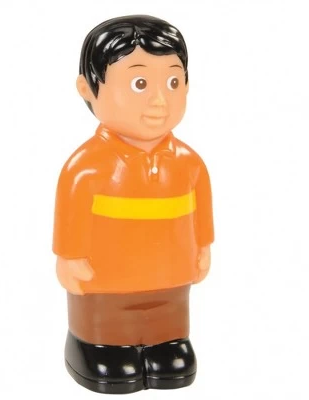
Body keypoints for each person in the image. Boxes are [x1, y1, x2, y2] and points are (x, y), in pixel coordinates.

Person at [53, 15, 214, 394]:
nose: (160, 100)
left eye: (173, 83)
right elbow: (71, 215)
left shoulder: (189, 163)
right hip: (106, 279)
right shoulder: (87, 166)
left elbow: (201, 212)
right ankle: (99, 347)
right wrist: (70, 257)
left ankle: (168, 343)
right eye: (139, 84)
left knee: (169, 314)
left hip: (171, 273)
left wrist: (203, 247)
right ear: (88, 88)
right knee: (107, 320)